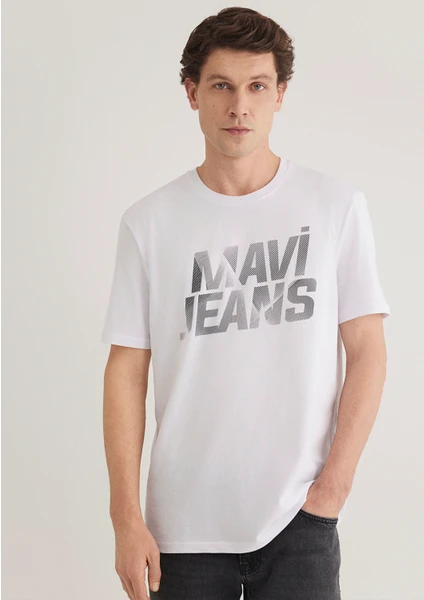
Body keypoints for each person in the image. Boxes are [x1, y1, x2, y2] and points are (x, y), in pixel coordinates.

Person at [101, 7, 391, 600]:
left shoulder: (334, 207)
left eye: (258, 86)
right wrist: (126, 519)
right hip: (181, 531)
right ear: (192, 93)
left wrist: (332, 490)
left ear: (280, 95)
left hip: (299, 522)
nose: (240, 106)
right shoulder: (149, 222)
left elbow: (368, 351)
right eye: (221, 86)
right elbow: (126, 371)